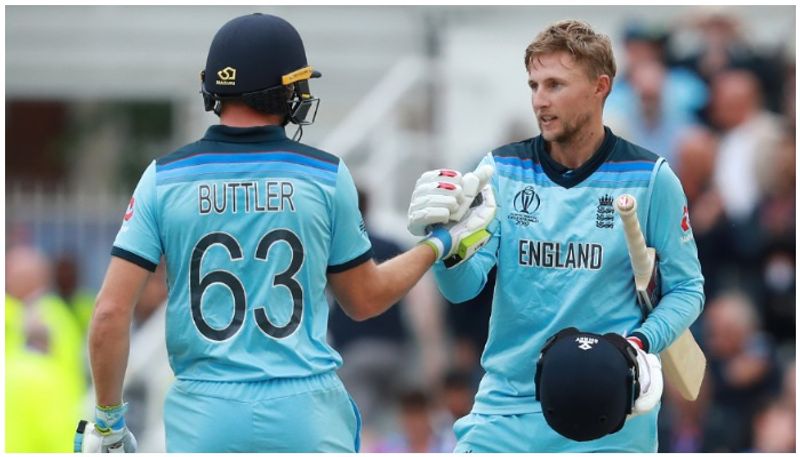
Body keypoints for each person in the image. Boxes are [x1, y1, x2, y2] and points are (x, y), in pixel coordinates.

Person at [84, 12, 494, 453]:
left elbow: (109, 314)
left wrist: (108, 424)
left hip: (205, 415)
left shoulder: (162, 178)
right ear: (282, 91)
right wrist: (439, 243)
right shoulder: (325, 175)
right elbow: (365, 299)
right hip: (305, 412)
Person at [409, 20, 704, 452]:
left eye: (555, 85)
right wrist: (445, 246)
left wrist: (639, 344)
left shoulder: (651, 178)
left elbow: (688, 288)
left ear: (600, 87)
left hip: (611, 414)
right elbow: (462, 289)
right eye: (534, 85)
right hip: (506, 410)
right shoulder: (500, 171)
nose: (539, 100)